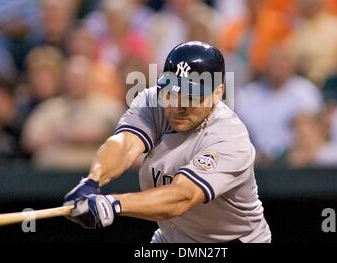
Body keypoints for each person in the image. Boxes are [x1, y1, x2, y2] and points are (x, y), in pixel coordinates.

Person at [63, 41, 271, 243]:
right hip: (172, 237)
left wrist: (114, 203)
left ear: (218, 93)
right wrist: (93, 180)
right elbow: (125, 144)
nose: (177, 105)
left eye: (191, 95)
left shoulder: (229, 137)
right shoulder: (153, 101)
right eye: (172, 92)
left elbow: (183, 196)